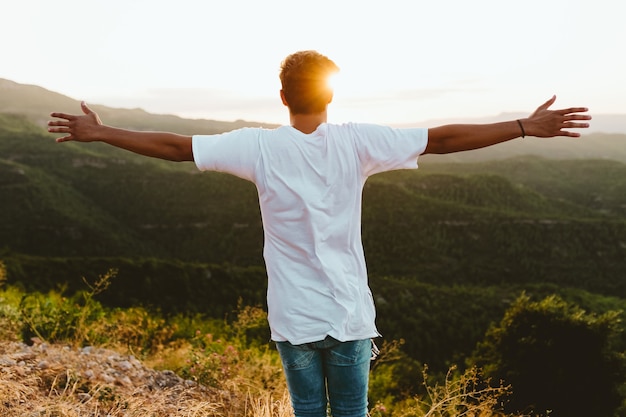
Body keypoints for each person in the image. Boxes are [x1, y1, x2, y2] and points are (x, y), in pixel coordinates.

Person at [47, 50, 591, 417]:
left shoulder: (257, 147)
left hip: (294, 318)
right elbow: (443, 139)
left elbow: (173, 146)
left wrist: (100, 132)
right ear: (328, 97)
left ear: (282, 98)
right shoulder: (358, 142)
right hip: (350, 315)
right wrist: (523, 126)